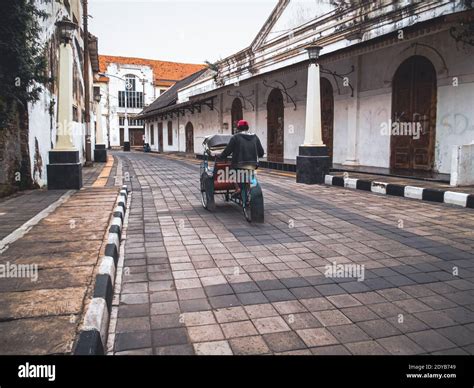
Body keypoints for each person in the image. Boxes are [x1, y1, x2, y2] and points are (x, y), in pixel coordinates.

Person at [219, 120, 264, 194]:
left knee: (231, 172)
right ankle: (250, 188)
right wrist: (260, 155)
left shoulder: (235, 137)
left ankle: (237, 188)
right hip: (253, 164)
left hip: (239, 164)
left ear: (238, 128)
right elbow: (261, 152)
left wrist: (221, 156)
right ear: (247, 128)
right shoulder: (255, 136)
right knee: (251, 175)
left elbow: (228, 150)